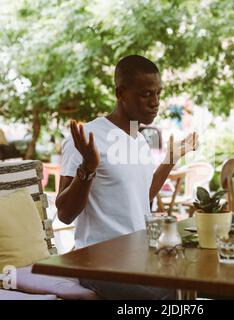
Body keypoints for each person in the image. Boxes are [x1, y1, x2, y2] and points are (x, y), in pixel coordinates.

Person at [55, 55, 199, 299]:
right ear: (121, 93)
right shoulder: (88, 137)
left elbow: (142, 196)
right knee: (170, 295)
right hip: (98, 263)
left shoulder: (139, 138)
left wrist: (171, 158)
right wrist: (88, 168)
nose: (155, 103)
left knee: (208, 281)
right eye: (146, 94)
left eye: (158, 94)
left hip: (139, 255)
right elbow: (64, 213)